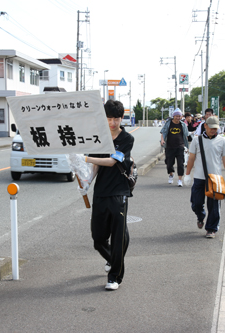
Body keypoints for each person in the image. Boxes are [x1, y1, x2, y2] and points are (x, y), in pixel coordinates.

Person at [80, 99, 134, 291]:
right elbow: (96, 165)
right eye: (109, 118)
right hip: (101, 191)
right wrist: (87, 182)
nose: (112, 123)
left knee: (118, 236)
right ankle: (114, 260)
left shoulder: (127, 139)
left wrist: (84, 158)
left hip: (119, 191)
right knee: (98, 238)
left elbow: (111, 161)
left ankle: (115, 277)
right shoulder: (98, 137)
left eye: (116, 118)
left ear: (121, 118)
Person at [184, 116, 225, 238]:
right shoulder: (197, 140)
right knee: (196, 203)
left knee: (214, 206)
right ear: (205, 126)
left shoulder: (222, 141)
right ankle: (200, 216)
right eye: (211, 128)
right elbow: (191, 158)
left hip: (215, 178)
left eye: (215, 128)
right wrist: (187, 174)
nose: (213, 130)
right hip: (199, 177)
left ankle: (211, 229)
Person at [160, 108, 189, 187]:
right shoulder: (168, 123)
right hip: (169, 146)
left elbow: (186, 136)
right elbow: (163, 132)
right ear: (173, 116)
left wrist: (187, 147)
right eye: (176, 116)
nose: (178, 117)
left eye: (179, 116)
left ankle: (180, 180)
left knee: (181, 163)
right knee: (169, 163)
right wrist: (162, 140)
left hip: (180, 146)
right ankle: (171, 174)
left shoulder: (183, 124)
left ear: (181, 116)